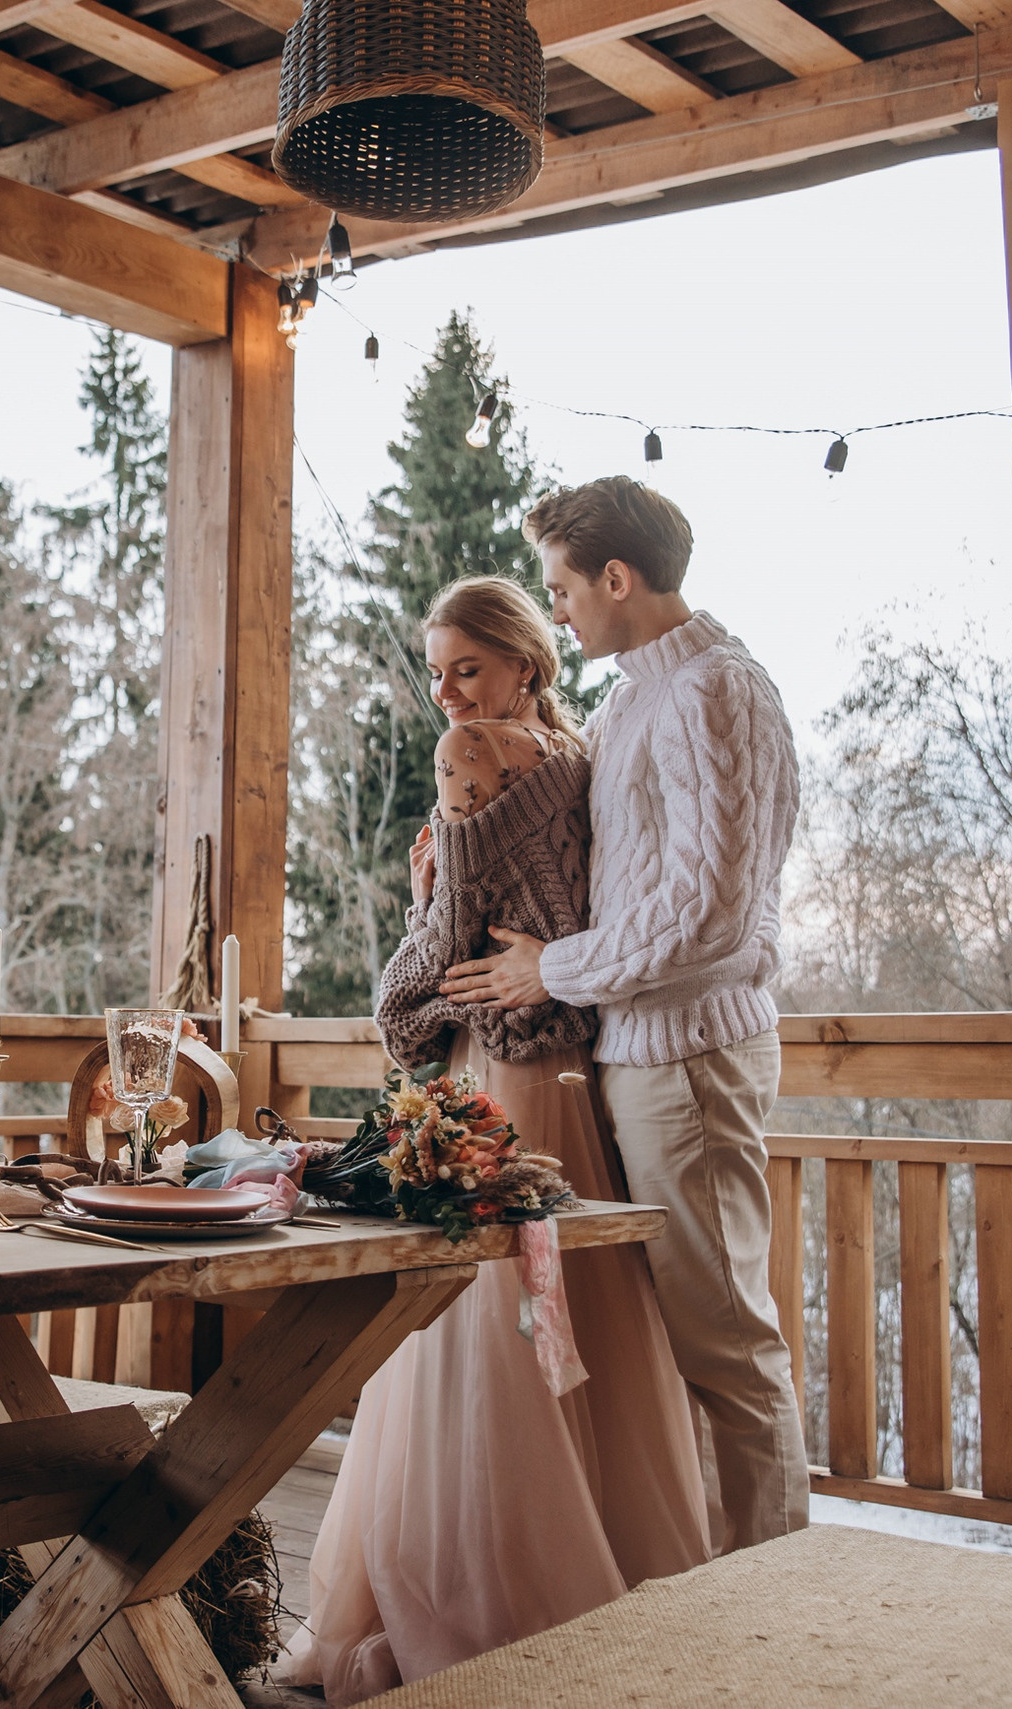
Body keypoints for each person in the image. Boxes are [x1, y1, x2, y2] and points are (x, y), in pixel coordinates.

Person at [281, 576, 711, 1706]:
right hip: (574, 1069)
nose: (446, 693)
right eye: (435, 670)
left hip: (504, 1069)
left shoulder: (472, 752)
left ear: (523, 663)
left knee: (473, 1320)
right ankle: (612, 1575)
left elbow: (440, 946)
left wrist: (402, 982)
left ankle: (492, 1596)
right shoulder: (574, 756)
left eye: (465, 666)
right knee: (576, 1311)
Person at [439, 476, 810, 1553]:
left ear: (616, 577)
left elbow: (710, 913)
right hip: (628, 1055)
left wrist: (554, 969)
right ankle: (701, 1578)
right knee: (669, 1343)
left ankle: (767, 1603)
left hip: (691, 1059)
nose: (554, 609)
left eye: (561, 586)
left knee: (727, 1344)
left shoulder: (716, 690)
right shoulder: (627, 701)